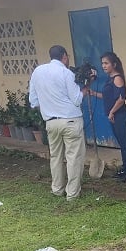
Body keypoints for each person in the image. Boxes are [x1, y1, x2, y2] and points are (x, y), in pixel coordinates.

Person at [29, 45, 89, 201]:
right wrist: (85, 88)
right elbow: (76, 99)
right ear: (64, 56)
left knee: (55, 157)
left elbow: (33, 102)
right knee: (73, 158)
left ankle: (57, 189)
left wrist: (50, 105)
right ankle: (72, 194)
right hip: (70, 120)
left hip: (51, 122)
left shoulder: (37, 72)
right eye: (67, 56)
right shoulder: (66, 73)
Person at [91, 51, 126, 182]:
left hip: (120, 115)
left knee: (125, 143)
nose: (103, 66)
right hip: (114, 115)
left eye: (106, 63)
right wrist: (93, 93)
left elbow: (121, 99)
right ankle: (125, 168)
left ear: (114, 64)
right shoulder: (111, 79)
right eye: (102, 63)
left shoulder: (117, 78)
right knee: (121, 143)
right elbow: (108, 97)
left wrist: (112, 112)